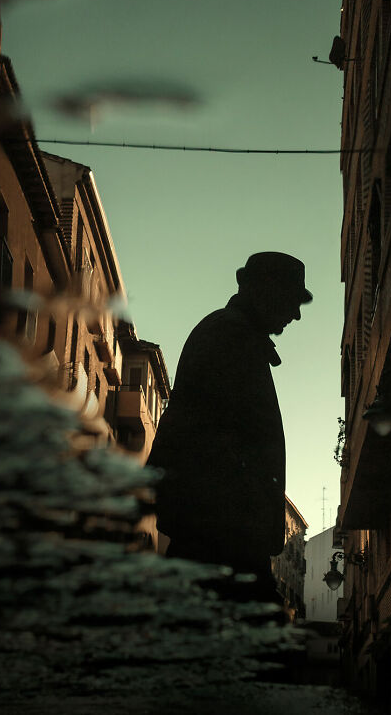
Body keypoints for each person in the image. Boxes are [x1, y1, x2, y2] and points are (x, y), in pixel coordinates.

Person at [146, 252, 312, 598]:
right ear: (267, 292)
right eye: (292, 301)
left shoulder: (233, 335)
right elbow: (217, 447)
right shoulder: (230, 337)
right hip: (222, 540)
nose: (296, 314)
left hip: (221, 538)